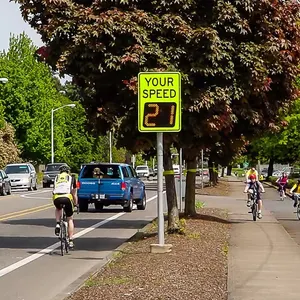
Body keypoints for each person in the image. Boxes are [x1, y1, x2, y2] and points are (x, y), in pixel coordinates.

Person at [52, 165, 78, 249]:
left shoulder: (56, 177)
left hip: (56, 197)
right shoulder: (72, 178)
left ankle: (57, 224)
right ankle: (70, 240)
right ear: (68, 171)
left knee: (58, 208)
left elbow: (54, 190)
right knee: (70, 218)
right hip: (67, 197)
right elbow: (74, 194)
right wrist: (76, 204)